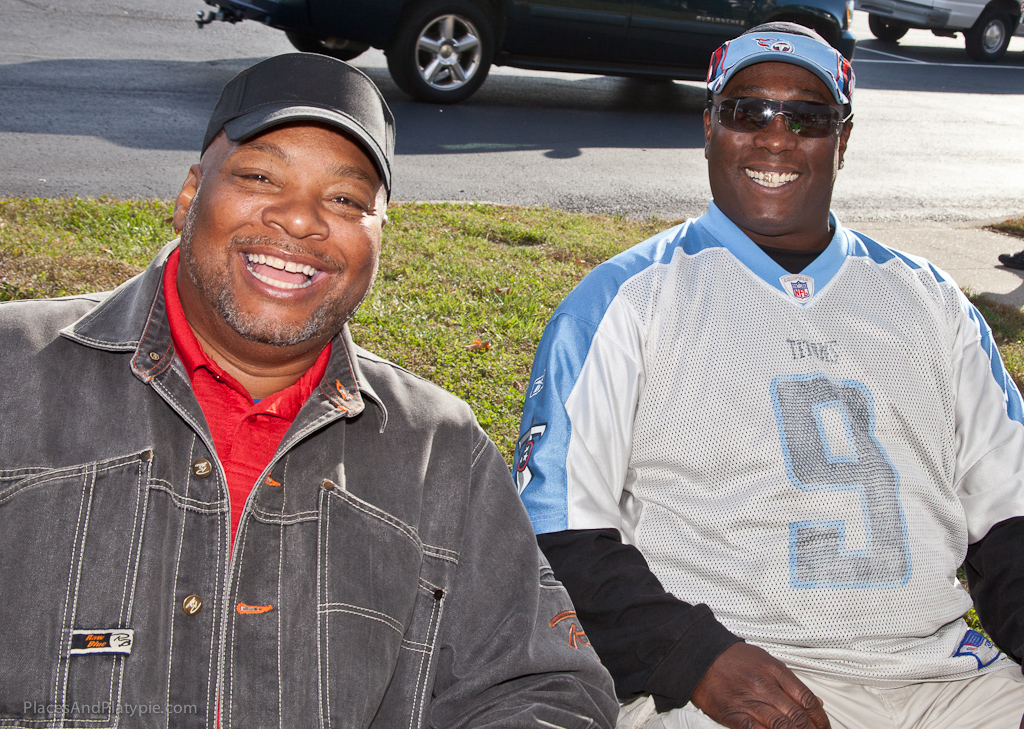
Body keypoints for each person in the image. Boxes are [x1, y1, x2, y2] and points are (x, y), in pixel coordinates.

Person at [0, 53, 617, 728]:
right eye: (261, 176)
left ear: (380, 238)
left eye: (346, 199)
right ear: (189, 195)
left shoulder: (438, 448)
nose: (300, 220)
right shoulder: (15, 371)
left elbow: (547, 688)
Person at [514, 23, 1024, 729]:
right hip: (729, 683)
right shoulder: (622, 302)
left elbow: (1010, 522)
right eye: (747, 111)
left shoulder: (933, 303)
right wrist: (692, 658)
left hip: (943, 680)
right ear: (709, 127)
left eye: (808, 117)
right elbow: (556, 537)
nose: (775, 138)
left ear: (843, 139)